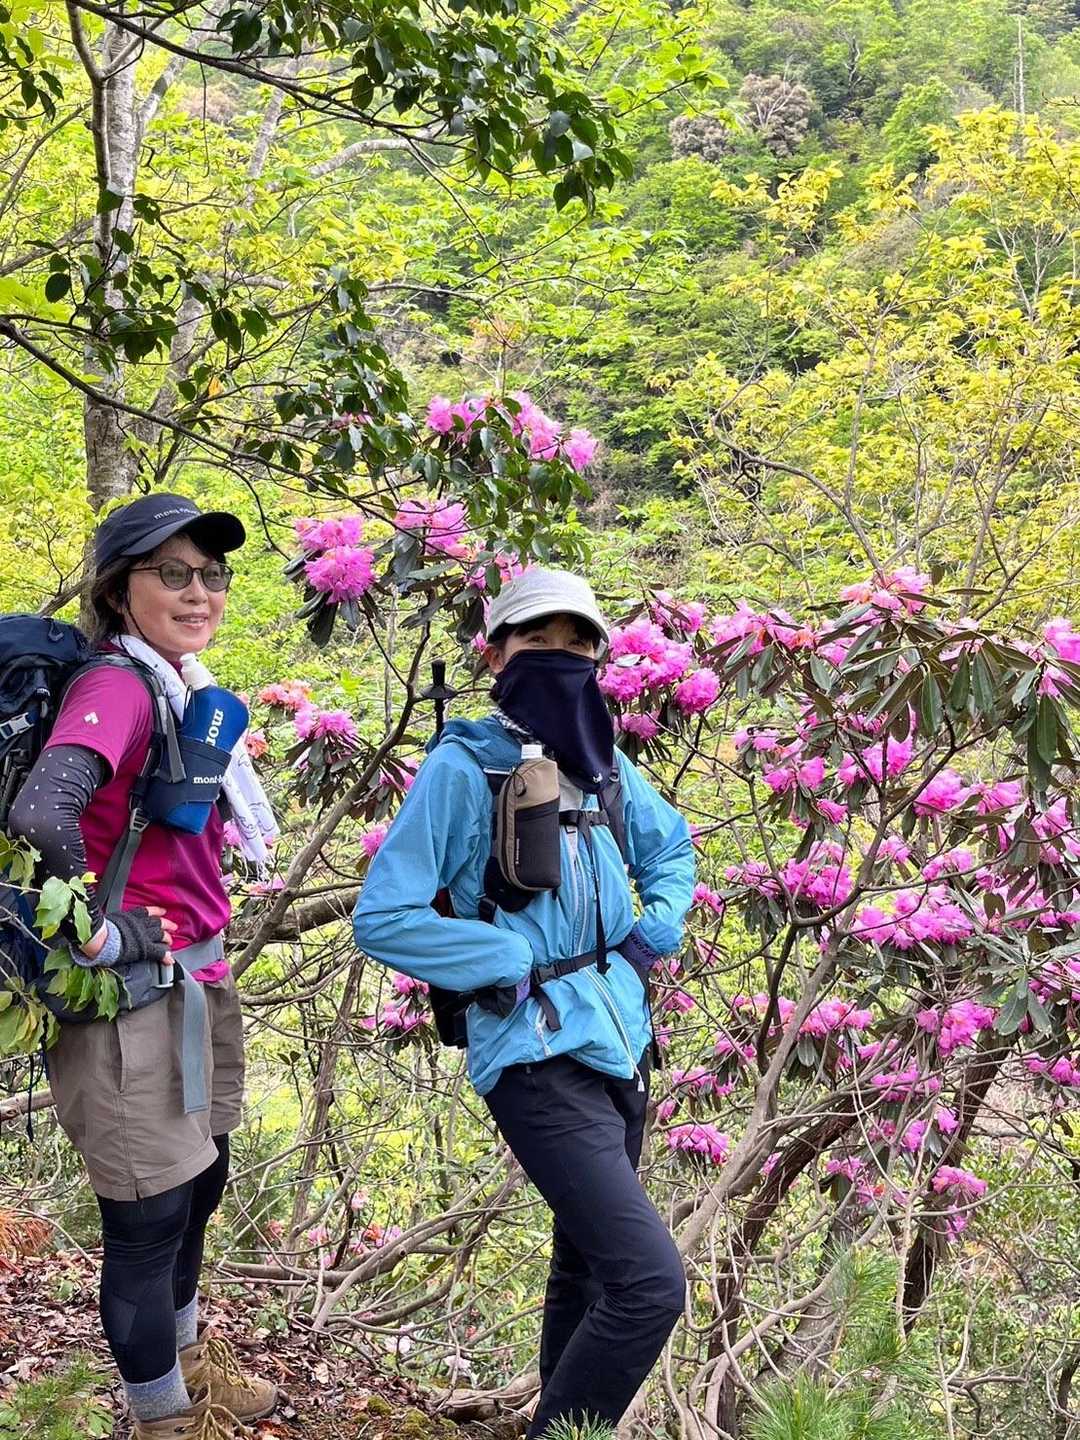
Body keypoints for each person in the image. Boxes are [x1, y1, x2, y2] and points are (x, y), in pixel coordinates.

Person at [353, 567, 696, 1437]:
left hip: (622, 1042)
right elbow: (384, 916)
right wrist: (501, 956)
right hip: (534, 1053)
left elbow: (670, 849)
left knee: (588, 1267)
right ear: (495, 655)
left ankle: (561, 1419)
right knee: (650, 1284)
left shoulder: (602, 764)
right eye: (537, 639)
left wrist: (656, 927)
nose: (559, 656)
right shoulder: (464, 767)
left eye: (577, 643)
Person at [10, 494, 278, 1440]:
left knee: (199, 1184)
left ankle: (190, 1364)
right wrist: (99, 934)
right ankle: (160, 1420)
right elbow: (41, 815)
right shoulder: (121, 688)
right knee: (147, 1219)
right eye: (172, 573)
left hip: (197, 979)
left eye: (212, 574)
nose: (199, 592)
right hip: (128, 1002)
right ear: (120, 591)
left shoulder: (179, 688)